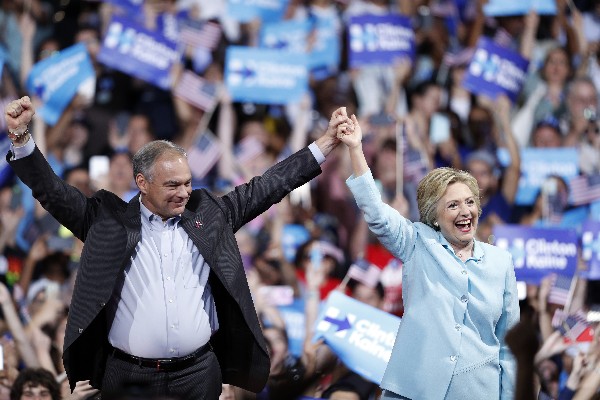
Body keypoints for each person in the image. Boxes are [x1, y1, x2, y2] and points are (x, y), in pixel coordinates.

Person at [4, 96, 348, 399]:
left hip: (197, 376)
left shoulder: (211, 215)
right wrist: (21, 138)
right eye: (172, 185)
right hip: (127, 376)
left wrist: (326, 143)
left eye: (187, 182)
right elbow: (52, 191)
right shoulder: (106, 220)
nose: (184, 192)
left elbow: (271, 185)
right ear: (142, 183)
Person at [335, 115, 520, 399]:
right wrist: (356, 149)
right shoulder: (418, 242)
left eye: (470, 202)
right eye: (454, 205)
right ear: (434, 215)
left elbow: (510, 345)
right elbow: (376, 212)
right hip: (413, 390)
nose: (465, 211)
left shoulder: (501, 262)